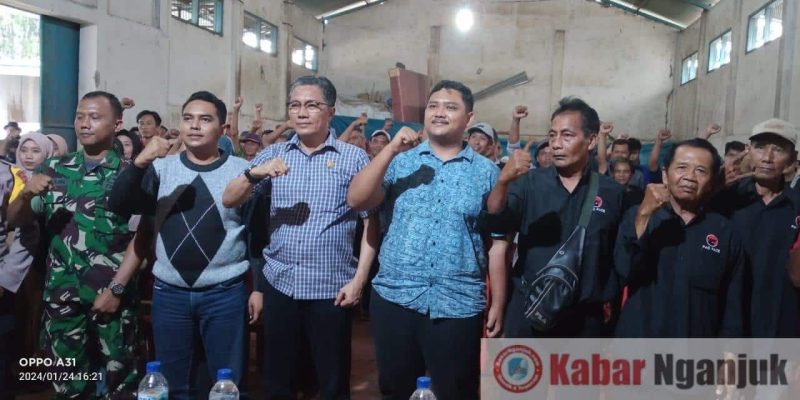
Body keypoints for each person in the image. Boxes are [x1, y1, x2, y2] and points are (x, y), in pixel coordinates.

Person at [347, 80, 505, 400]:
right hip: (396, 297)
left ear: (469, 118)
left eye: (450, 107)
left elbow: (497, 243)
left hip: (458, 303)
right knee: (395, 389)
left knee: (456, 391)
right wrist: (390, 149)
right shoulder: (400, 162)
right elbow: (357, 200)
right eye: (433, 106)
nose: (439, 113)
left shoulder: (487, 173)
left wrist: (498, 302)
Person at [222, 76, 377, 400]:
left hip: (331, 289)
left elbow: (369, 224)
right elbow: (230, 199)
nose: (301, 113)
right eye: (294, 105)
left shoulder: (353, 158)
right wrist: (253, 173)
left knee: (332, 383)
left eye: (311, 105)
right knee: (278, 382)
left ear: (330, 111)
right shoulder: (272, 155)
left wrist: (359, 280)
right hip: (281, 285)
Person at [109, 91, 264, 399]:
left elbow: (255, 235)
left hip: (224, 294)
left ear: (222, 128)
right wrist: (140, 162)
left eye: (205, 119)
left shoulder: (240, 171)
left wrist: (257, 288)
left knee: (226, 384)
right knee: (172, 382)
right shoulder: (162, 168)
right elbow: (119, 203)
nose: (194, 126)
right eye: (188, 118)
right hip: (170, 295)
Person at [7, 91, 142, 398]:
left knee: (119, 383)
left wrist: (116, 289)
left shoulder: (129, 174)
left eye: (95, 117)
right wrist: (26, 194)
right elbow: (15, 219)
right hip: (62, 296)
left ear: (117, 124)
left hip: (111, 298)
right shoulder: (54, 168)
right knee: (66, 383)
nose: (84, 124)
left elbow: (142, 238)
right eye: (80, 116)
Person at [483, 97, 625, 337]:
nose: (556, 144)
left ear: (591, 140)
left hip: (584, 320)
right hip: (530, 309)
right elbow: (496, 220)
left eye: (567, 135)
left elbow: (620, 256)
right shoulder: (530, 183)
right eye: (552, 135)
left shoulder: (612, 193)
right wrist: (503, 181)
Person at [615, 138, 745, 337]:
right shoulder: (637, 215)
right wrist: (644, 215)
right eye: (682, 167)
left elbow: (733, 303)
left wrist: (729, 350)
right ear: (665, 175)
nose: (690, 177)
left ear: (711, 182)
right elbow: (624, 269)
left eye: (701, 171)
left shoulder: (725, 230)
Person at [726, 119, 800, 337]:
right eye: (760, 148)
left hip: (782, 326)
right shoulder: (727, 200)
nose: (767, 158)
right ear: (748, 151)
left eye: (778, 150)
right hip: (731, 325)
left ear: (792, 158)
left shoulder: (796, 206)